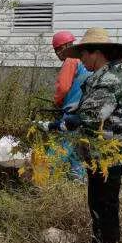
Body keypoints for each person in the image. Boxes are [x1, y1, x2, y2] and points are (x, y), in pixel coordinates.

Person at [46, 27, 122, 243]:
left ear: (97, 53)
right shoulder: (98, 78)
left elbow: (91, 118)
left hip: (109, 157)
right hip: (97, 155)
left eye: (84, 54)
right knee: (97, 206)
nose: (80, 59)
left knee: (105, 208)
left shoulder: (108, 82)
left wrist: (63, 122)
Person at [51, 31, 90, 182]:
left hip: (72, 111)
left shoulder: (71, 60)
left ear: (66, 47)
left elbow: (63, 87)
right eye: (56, 51)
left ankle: (43, 176)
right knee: (76, 148)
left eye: (58, 50)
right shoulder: (85, 62)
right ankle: (79, 179)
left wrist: (57, 101)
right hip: (86, 113)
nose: (57, 54)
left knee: (62, 144)